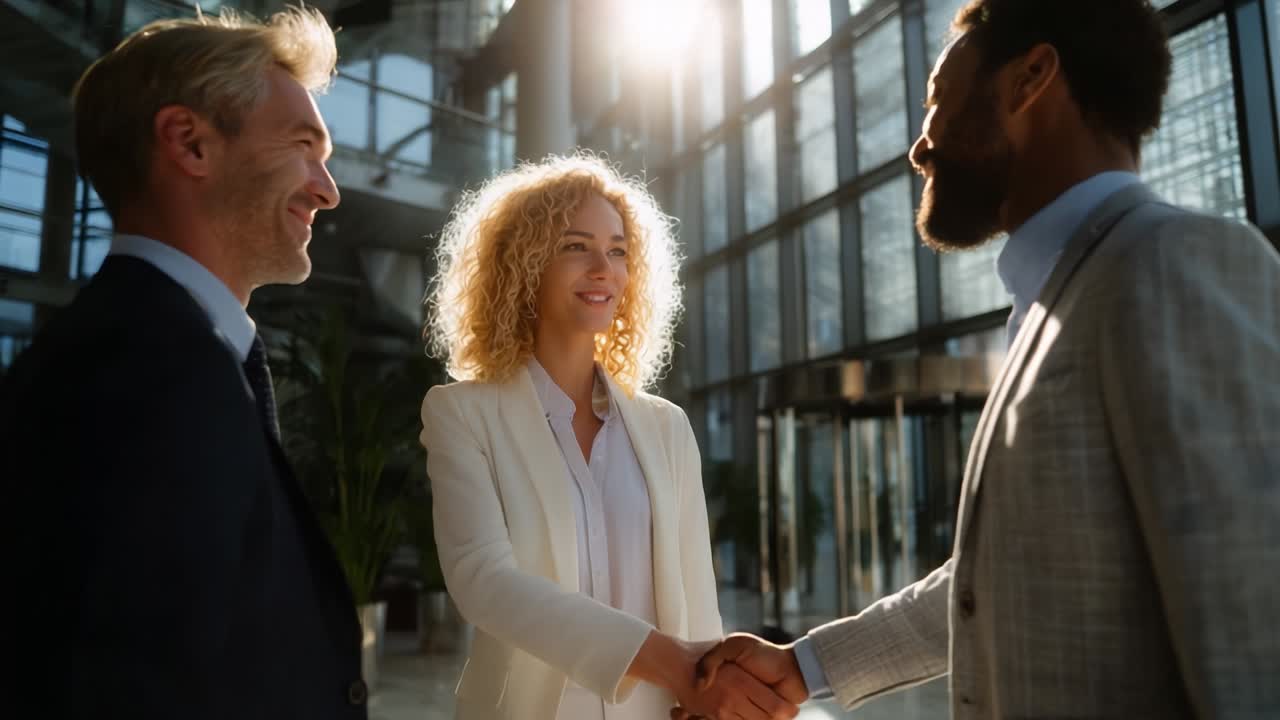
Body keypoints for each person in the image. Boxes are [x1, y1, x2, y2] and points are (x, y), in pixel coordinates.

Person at [682, 0, 1280, 718]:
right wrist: (802, 666)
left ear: (1031, 77)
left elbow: (1255, 631)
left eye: (938, 99)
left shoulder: (1170, 263)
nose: (919, 146)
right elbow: (998, 578)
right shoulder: (1054, 303)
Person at [0, 8, 368, 719]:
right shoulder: (144, 376)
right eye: (304, 145)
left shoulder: (162, 355)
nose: (328, 189)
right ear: (189, 143)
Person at [419, 155, 801, 720]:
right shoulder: (462, 414)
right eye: (576, 246)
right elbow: (484, 582)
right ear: (524, 264)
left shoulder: (666, 427)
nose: (604, 268)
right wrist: (670, 660)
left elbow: (697, 602)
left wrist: (707, 693)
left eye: (619, 251)